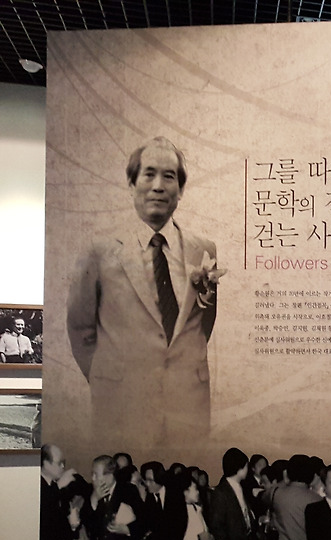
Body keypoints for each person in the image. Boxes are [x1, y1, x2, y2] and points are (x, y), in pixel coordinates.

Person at [66, 136, 220, 451]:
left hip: (188, 410)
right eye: (149, 174)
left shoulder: (203, 249)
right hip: (122, 411)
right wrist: (111, 380)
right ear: (131, 183)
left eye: (169, 176)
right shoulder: (100, 250)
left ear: (181, 189)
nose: (158, 186)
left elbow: (204, 324)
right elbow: (81, 328)